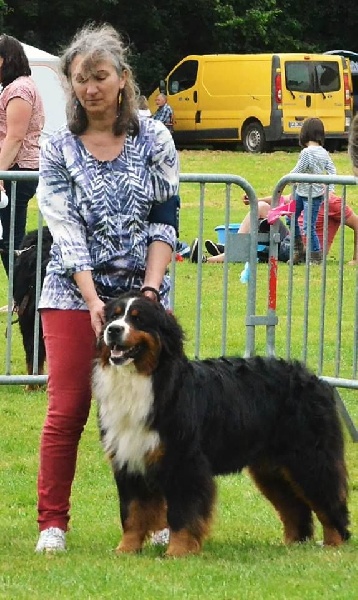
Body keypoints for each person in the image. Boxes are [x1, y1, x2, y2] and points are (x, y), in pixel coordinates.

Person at [34, 23, 179, 553]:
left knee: (159, 413)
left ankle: (159, 518)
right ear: (71, 85)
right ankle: (53, 523)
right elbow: (64, 229)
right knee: (68, 408)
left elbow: (166, 217)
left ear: (122, 79)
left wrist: (150, 290)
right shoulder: (56, 144)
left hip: (144, 294)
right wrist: (95, 300)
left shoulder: (154, 136)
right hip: (75, 292)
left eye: (101, 76)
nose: (91, 87)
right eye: (81, 78)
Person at [190, 192, 358, 265]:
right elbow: (281, 199)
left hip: (304, 251)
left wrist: (355, 259)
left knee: (264, 239)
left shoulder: (333, 202)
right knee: (261, 207)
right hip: (289, 240)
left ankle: (209, 259)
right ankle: (233, 248)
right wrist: (254, 199)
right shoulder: (303, 192)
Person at [0, 34, 45, 276]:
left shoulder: (19, 89)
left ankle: (26, 300)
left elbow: (15, 136)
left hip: (16, 172)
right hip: (13, 172)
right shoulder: (15, 87)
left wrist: (0, 175)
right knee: (8, 241)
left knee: (10, 243)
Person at [288, 117, 336, 265]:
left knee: (306, 225)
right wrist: (330, 188)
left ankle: (315, 256)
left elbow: (298, 170)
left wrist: (286, 179)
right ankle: (299, 251)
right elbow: (332, 170)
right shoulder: (324, 152)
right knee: (293, 217)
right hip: (304, 191)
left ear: (304, 133)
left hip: (311, 195)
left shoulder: (306, 153)